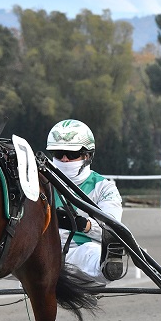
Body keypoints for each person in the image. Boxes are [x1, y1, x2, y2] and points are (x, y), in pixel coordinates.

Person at [46, 119, 125, 285]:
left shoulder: (104, 188)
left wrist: (83, 224)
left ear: (87, 155)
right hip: (39, 251)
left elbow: (113, 230)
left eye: (72, 154)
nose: (65, 159)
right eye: (59, 154)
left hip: (78, 252)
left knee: (92, 253)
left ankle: (108, 266)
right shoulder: (37, 181)